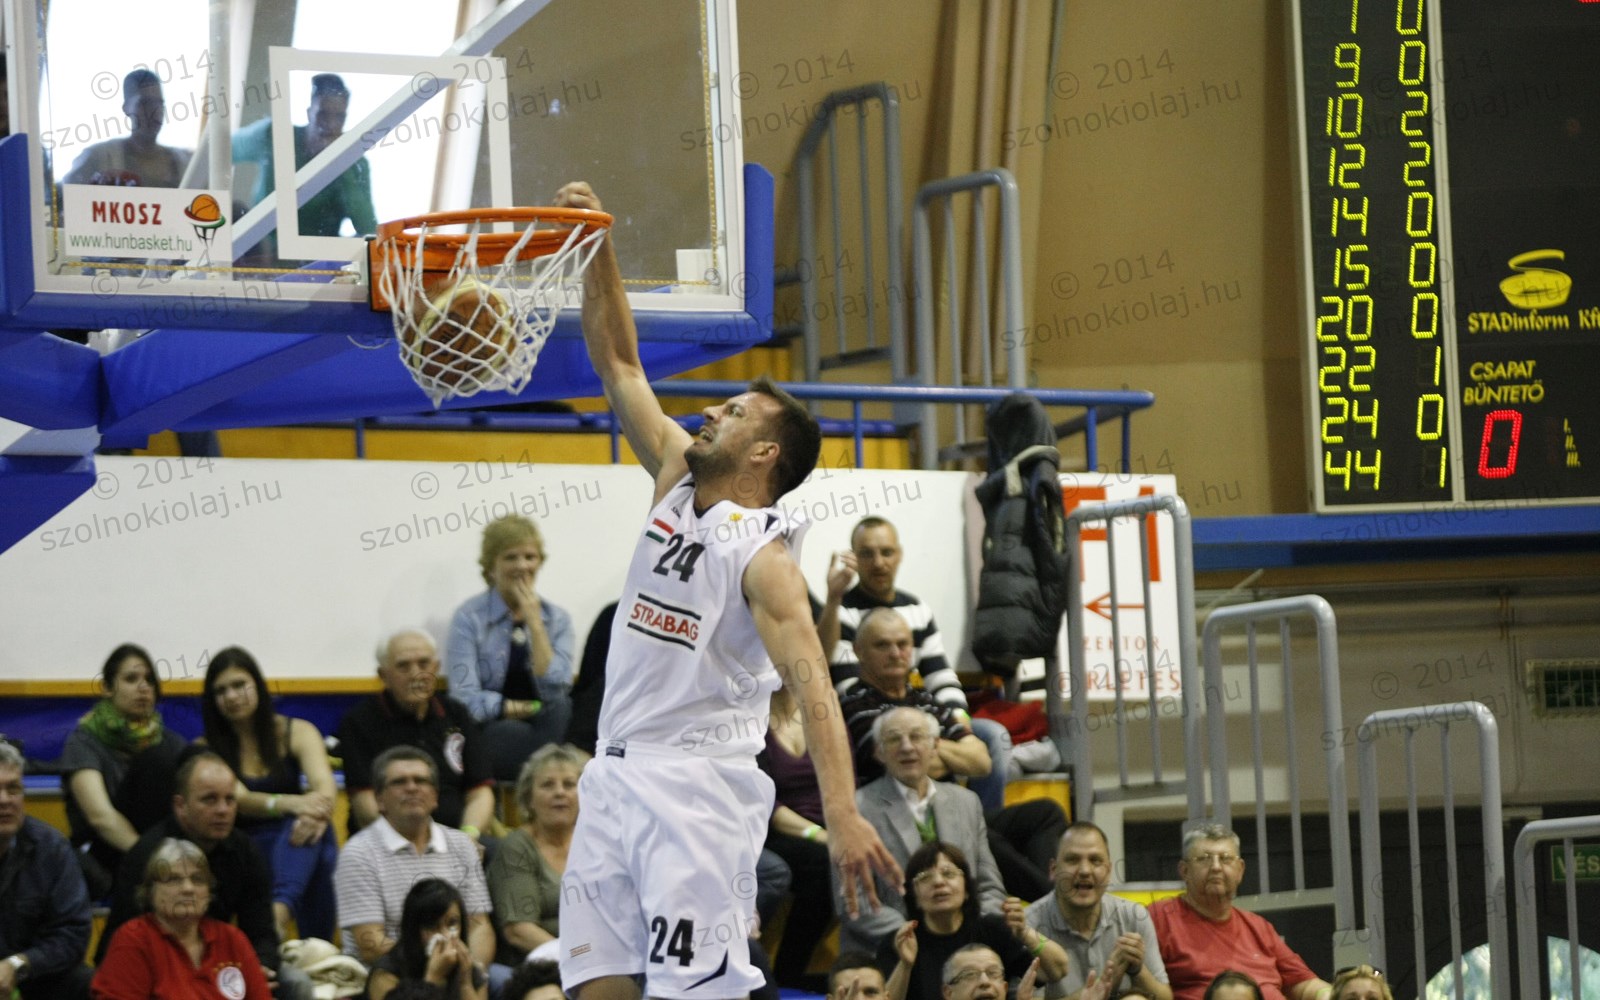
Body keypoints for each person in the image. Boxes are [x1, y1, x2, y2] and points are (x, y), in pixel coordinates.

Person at [549, 179, 899, 1000]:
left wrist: (843, 813)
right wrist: (596, 242)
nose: (710, 410)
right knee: (595, 987)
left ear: (764, 454)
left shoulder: (765, 558)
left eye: (734, 412)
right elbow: (619, 361)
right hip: (614, 775)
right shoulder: (675, 475)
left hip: (696, 793)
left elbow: (813, 687)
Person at [820, 516, 1014, 810]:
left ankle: (982, 822)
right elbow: (849, 686)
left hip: (920, 711)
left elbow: (941, 676)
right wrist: (930, 740)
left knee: (992, 737)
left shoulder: (917, 609)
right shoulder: (842, 612)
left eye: (886, 552)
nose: (878, 562)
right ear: (854, 558)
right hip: (874, 716)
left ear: (899, 555)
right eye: (867, 554)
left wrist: (958, 723)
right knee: (914, 751)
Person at [99, 749, 313, 1000]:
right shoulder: (146, 855)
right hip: (159, 964)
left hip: (224, 959)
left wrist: (261, 967)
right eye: (209, 800)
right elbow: (119, 943)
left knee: (295, 982)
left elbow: (262, 931)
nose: (223, 810)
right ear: (181, 805)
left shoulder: (245, 851)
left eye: (230, 800)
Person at [200, 646, 339, 941]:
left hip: (295, 837)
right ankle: (310, 943)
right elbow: (241, 800)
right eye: (221, 691)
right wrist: (294, 804)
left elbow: (324, 787)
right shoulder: (205, 748)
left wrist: (314, 812)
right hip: (241, 844)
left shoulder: (298, 731)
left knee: (318, 833)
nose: (232, 696)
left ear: (258, 686)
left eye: (239, 685)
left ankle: (278, 917)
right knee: (320, 846)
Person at [843, 708, 1008, 953]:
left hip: (967, 944)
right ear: (879, 752)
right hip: (889, 948)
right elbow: (853, 902)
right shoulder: (857, 809)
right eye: (894, 739)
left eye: (917, 736)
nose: (907, 747)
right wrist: (920, 938)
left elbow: (989, 887)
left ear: (935, 746)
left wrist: (969, 930)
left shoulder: (966, 802)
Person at [334, 746, 498, 989]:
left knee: (514, 983)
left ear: (435, 796)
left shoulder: (462, 845)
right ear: (380, 800)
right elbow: (370, 943)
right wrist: (435, 966)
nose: (412, 788)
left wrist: (470, 970)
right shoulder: (358, 853)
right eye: (399, 782)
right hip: (387, 977)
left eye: (421, 781)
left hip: (457, 969)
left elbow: (480, 926)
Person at [447, 515, 576, 781]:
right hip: (491, 728)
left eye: (530, 557)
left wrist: (535, 623)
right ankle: (549, 777)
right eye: (510, 557)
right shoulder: (469, 618)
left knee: (562, 710)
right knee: (507, 732)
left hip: (548, 725)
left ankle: (545, 778)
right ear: (491, 567)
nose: (522, 566)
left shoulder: (557, 619)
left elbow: (557, 690)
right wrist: (521, 708)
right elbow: (464, 700)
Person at [337, 629, 496, 844]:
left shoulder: (457, 714)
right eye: (403, 666)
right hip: (388, 843)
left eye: (424, 664)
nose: (416, 674)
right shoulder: (359, 721)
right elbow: (365, 805)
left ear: (436, 668)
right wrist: (418, 846)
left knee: (503, 854)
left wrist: (469, 837)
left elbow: (480, 792)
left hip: (458, 839)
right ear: (384, 676)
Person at [1147, 825, 1331, 1000]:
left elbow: (1305, 983)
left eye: (1226, 859)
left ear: (1240, 870)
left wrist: (1327, 994)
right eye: (1204, 859)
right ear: (1184, 871)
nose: (1216, 867)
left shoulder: (1259, 927)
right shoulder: (1158, 918)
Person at [61, 643, 187, 897]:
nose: (143, 687)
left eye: (149, 680)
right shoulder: (82, 741)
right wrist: (155, 861)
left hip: (165, 856)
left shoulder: (169, 741)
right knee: (157, 761)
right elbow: (100, 817)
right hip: (107, 856)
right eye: (131, 679)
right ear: (107, 687)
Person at [92, 838, 273, 1000]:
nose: (188, 889)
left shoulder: (232, 939)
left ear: (209, 891)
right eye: (173, 879)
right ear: (150, 891)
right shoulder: (133, 940)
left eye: (197, 879)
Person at [878, 844, 1066, 1000]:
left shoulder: (991, 930)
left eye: (948, 873)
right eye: (925, 877)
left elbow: (1058, 970)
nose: (938, 882)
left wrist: (1025, 932)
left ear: (967, 888)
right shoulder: (900, 942)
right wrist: (905, 964)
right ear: (914, 896)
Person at [1024, 822, 1170, 1000]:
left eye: (1095, 860)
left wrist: (1138, 970)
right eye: (1073, 860)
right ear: (1054, 870)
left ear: (1108, 871)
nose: (1085, 870)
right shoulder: (1027, 926)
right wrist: (1102, 985)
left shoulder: (1134, 917)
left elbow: (1165, 998)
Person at [232, 73, 376, 248]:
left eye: (339, 117)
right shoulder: (274, 137)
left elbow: (367, 228)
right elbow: (223, 149)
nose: (330, 125)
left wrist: (343, 165)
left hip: (320, 258)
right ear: (309, 113)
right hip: (263, 252)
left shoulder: (355, 163)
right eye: (323, 115)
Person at [759, 683, 840, 991]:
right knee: (823, 863)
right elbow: (765, 802)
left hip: (828, 823)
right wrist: (820, 835)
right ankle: (789, 969)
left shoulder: (823, 711)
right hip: (775, 828)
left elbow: (846, 776)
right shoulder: (749, 718)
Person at [0, 741, 94, 1000]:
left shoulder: (51, 848)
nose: (4, 800)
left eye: (13, 789)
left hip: (31, 978)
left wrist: (18, 964)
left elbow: (73, 932)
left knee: (85, 982)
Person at [486, 744, 587, 964]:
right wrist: (579, 958)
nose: (559, 792)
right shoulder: (517, 848)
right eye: (548, 785)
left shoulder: (595, 843)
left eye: (569, 784)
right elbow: (518, 931)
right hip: (541, 965)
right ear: (529, 798)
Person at [60, 69, 192, 187]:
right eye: (144, 103)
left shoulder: (186, 164)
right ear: (126, 108)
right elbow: (65, 197)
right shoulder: (98, 159)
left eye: (159, 104)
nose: (155, 111)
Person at [365, 879, 488, 1000]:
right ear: (414, 930)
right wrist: (433, 979)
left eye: (452, 923)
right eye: (432, 926)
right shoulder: (386, 974)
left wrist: (465, 983)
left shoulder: (468, 970)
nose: (445, 935)